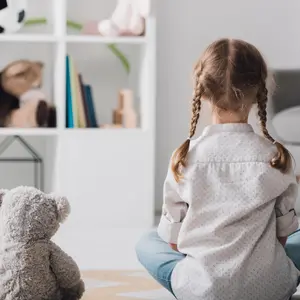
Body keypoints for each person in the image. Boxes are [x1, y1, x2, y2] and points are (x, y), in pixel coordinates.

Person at [135, 38, 300, 300]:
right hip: (271, 288)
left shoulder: (185, 157)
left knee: (146, 243)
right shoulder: (276, 157)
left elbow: (174, 242)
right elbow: (283, 235)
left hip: (204, 290)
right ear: (259, 91)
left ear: (201, 90)